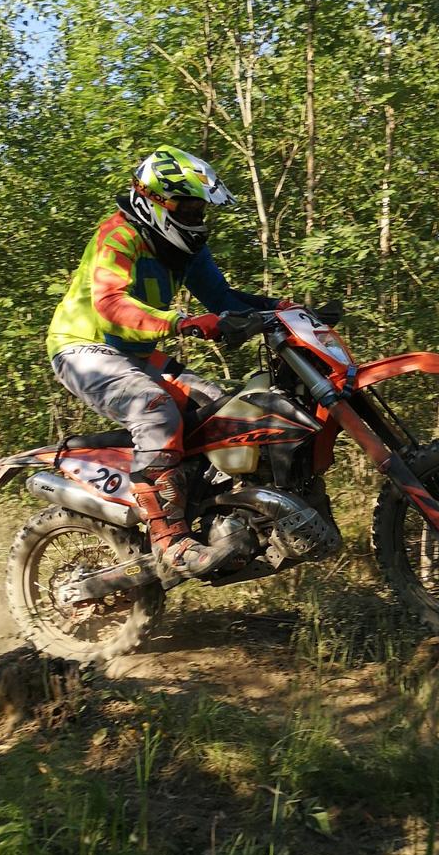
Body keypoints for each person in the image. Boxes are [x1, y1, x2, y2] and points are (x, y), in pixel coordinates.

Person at [46, 145, 284, 581]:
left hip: (136, 354)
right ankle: (170, 542)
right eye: (188, 208)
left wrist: (284, 309)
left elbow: (223, 299)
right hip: (83, 349)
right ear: (153, 200)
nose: (196, 217)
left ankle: (218, 516)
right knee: (154, 410)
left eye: (200, 209)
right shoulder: (119, 236)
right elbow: (111, 305)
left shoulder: (185, 249)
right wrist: (182, 322)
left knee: (224, 411)